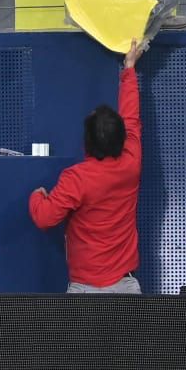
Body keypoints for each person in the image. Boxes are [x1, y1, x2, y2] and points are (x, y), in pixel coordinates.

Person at [29, 39, 147, 293]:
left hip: (84, 290)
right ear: (121, 139)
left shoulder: (77, 179)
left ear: (87, 142)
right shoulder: (131, 162)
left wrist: (37, 196)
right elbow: (132, 117)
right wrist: (129, 69)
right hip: (126, 286)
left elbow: (44, 217)